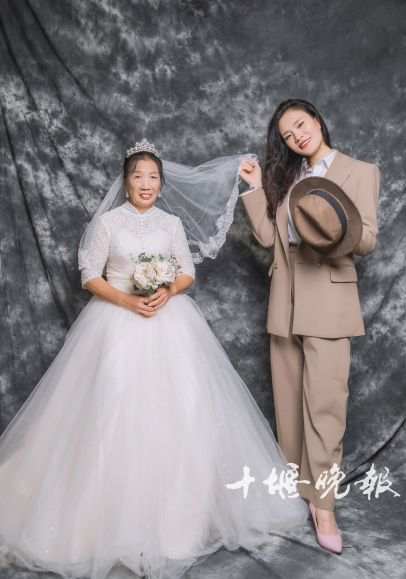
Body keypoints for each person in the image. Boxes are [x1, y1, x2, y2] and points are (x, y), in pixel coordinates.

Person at [0, 140, 308, 579]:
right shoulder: (108, 223)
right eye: (138, 177)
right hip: (115, 323)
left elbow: (186, 270)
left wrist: (167, 289)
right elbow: (90, 273)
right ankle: (108, 520)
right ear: (126, 183)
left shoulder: (170, 223)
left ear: (161, 185)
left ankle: (177, 525)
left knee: (180, 412)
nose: (146, 184)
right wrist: (128, 300)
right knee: (113, 411)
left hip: (170, 322)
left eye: (153, 178)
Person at [239, 98, 380, 554]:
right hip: (285, 302)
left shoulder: (359, 171)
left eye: (300, 124)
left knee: (325, 409)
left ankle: (324, 506)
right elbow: (267, 237)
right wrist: (256, 187)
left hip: (330, 299)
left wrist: (331, 230)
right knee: (289, 409)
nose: (296, 136)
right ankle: (299, 495)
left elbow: (369, 237)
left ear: (317, 120)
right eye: (287, 135)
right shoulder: (290, 178)